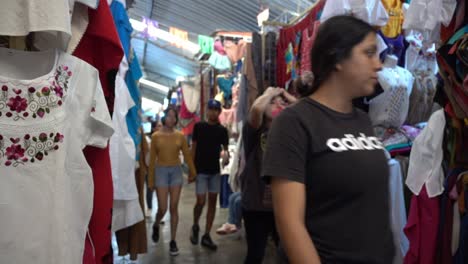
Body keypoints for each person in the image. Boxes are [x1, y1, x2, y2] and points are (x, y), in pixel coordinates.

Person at [262, 15, 395, 263]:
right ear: (337, 58)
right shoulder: (294, 123)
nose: (378, 65)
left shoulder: (362, 120)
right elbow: (290, 225)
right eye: (368, 53)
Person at [240, 86, 297, 264]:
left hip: (284, 205)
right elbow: (256, 109)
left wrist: (286, 95)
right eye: (273, 103)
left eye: (282, 102)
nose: (279, 104)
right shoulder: (255, 130)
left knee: (289, 254)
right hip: (256, 204)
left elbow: (306, 109)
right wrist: (270, 93)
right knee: (255, 254)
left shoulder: (290, 131)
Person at [148, 107, 197, 256]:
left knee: (174, 207)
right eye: (168, 116)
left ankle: (173, 241)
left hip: (176, 172)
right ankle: (156, 224)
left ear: (176, 119)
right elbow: (151, 161)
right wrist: (151, 181)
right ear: (164, 118)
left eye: (173, 116)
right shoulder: (156, 136)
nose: (171, 119)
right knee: (162, 208)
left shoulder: (180, 136)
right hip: (161, 172)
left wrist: (193, 172)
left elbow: (187, 155)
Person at [190, 99, 229, 251]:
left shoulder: (222, 130)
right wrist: (192, 170)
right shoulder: (199, 127)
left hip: (214, 171)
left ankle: (206, 234)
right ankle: (195, 225)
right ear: (207, 110)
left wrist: (226, 157)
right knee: (200, 201)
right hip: (200, 170)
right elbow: (193, 148)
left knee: (212, 202)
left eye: (215, 109)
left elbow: (225, 150)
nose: (213, 112)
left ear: (219, 112)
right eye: (210, 109)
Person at [145, 120, 163, 218]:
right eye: (158, 126)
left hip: (162, 170)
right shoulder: (148, 140)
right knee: (149, 189)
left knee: (161, 191)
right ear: (154, 128)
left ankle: (161, 213)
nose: (160, 128)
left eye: (161, 126)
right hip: (150, 169)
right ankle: (149, 208)